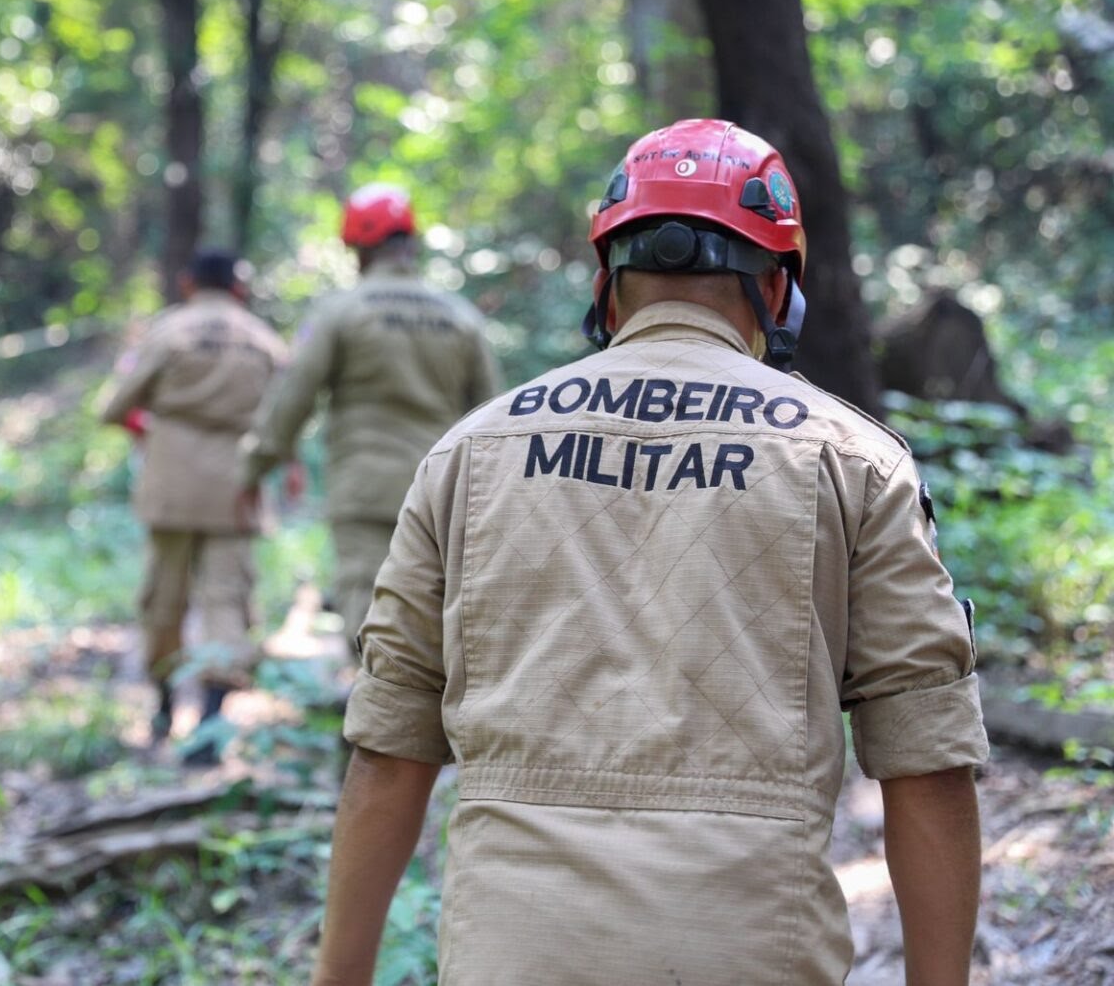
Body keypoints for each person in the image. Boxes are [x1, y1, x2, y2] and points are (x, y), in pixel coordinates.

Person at [311, 119, 989, 985]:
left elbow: (387, 749)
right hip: (749, 953)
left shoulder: (470, 451)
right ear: (779, 290)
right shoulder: (851, 457)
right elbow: (927, 761)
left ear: (607, 286)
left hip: (511, 954)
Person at [241, 183, 501, 651]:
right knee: (436, 617)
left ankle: (373, 723)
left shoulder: (341, 311)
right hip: (442, 492)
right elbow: (493, 414)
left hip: (365, 490)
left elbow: (293, 398)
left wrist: (254, 467)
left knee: (368, 616)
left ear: (358, 248)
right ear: (410, 243)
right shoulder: (461, 317)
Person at [100, 248, 288, 766]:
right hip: (237, 484)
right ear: (238, 287)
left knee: (165, 596)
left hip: (171, 483)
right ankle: (209, 719)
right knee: (228, 600)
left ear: (188, 283)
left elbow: (115, 407)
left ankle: (162, 708)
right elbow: (287, 416)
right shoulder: (264, 340)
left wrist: (150, 430)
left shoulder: (168, 332)